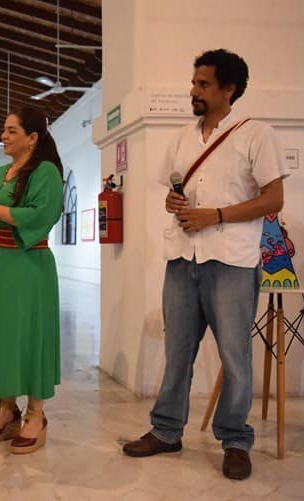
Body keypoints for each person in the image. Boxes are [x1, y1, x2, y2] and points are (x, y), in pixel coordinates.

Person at [122, 49, 287, 480]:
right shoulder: (180, 137)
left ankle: (235, 440)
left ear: (228, 89)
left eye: (203, 84)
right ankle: (166, 430)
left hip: (231, 261)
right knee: (177, 353)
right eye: (193, 82)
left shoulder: (256, 134)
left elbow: (273, 199)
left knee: (234, 357)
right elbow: (169, 193)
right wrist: (173, 201)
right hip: (182, 257)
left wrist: (214, 215)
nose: (193, 91)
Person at [0, 105, 64, 454]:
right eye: (3, 130)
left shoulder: (45, 172)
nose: (3, 136)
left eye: (11, 130)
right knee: (1, 335)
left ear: (32, 137)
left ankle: (36, 413)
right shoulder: (0, 174)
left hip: (29, 266)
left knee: (29, 336)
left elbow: (40, 214)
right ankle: (6, 406)